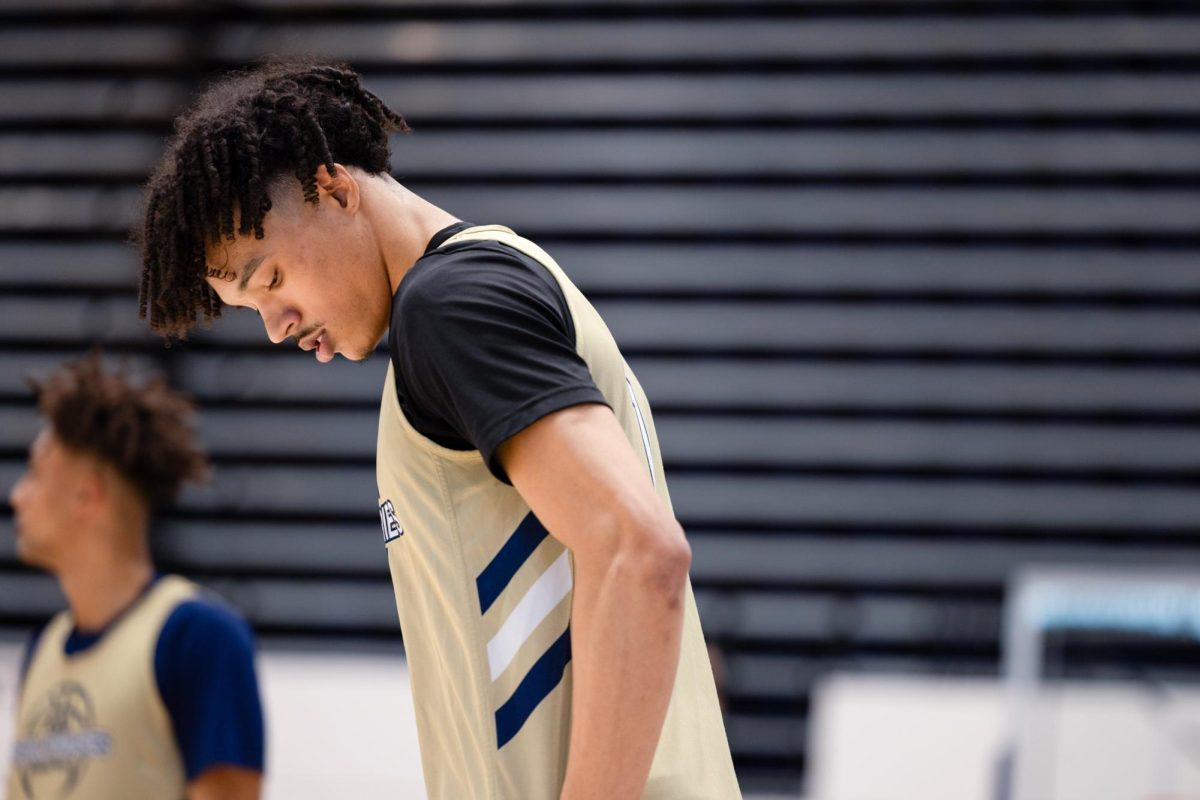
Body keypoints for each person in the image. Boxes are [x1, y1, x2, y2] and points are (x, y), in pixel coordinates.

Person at [136, 59, 740, 800]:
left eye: (270, 280)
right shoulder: (479, 289)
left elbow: (640, 553)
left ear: (335, 189)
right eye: (250, 309)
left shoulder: (451, 306)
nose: (275, 326)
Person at [6, 354, 265, 800]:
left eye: (34, 474)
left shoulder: (198, 636)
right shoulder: (39, 652)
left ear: (85, 496)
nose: (17, 496)